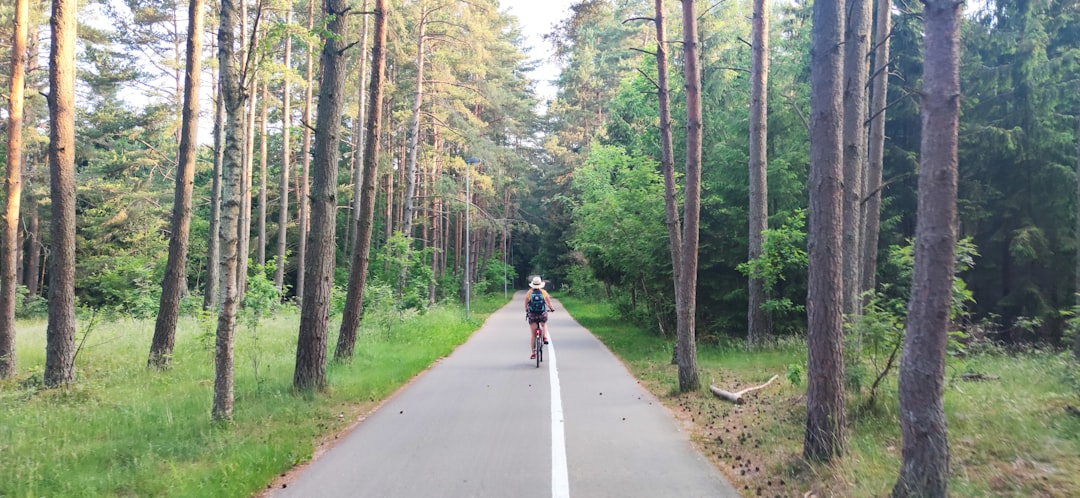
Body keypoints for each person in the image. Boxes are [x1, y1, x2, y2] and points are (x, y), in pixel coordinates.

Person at [525, 276, 555, 359]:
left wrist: (526, 309)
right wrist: (552, 308)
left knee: (533, 335)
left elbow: (526, 303)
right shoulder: (543, 292)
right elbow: (549, 302)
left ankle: (533, 353)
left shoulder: (529, 292)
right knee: (544, 324)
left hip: (532, 314)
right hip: (542, 314)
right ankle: (545, 337)